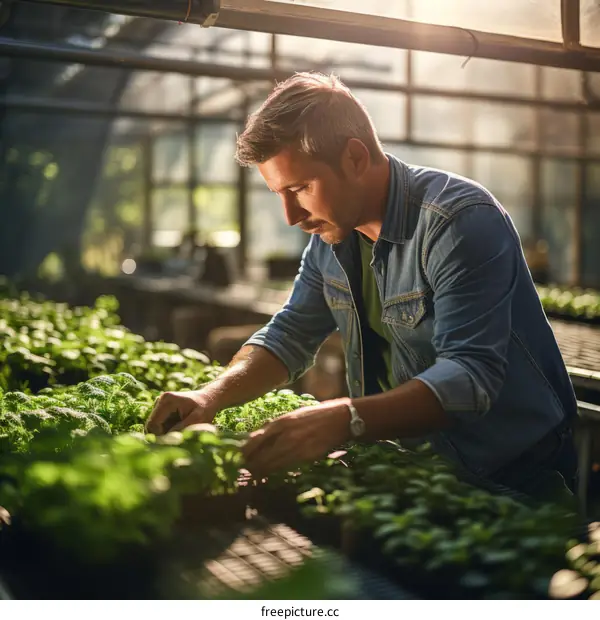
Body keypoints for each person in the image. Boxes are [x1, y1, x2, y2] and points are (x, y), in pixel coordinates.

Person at [146, 72, 579, 501]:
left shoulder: (458, 221)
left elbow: (469, 376)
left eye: (299, 188)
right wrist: (209, 397)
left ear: (354, 158)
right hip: (420, 471)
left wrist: (342, 418)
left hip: (513, 473)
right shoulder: (331, 238)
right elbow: (290, 333)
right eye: (279, 193)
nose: (290, 217)